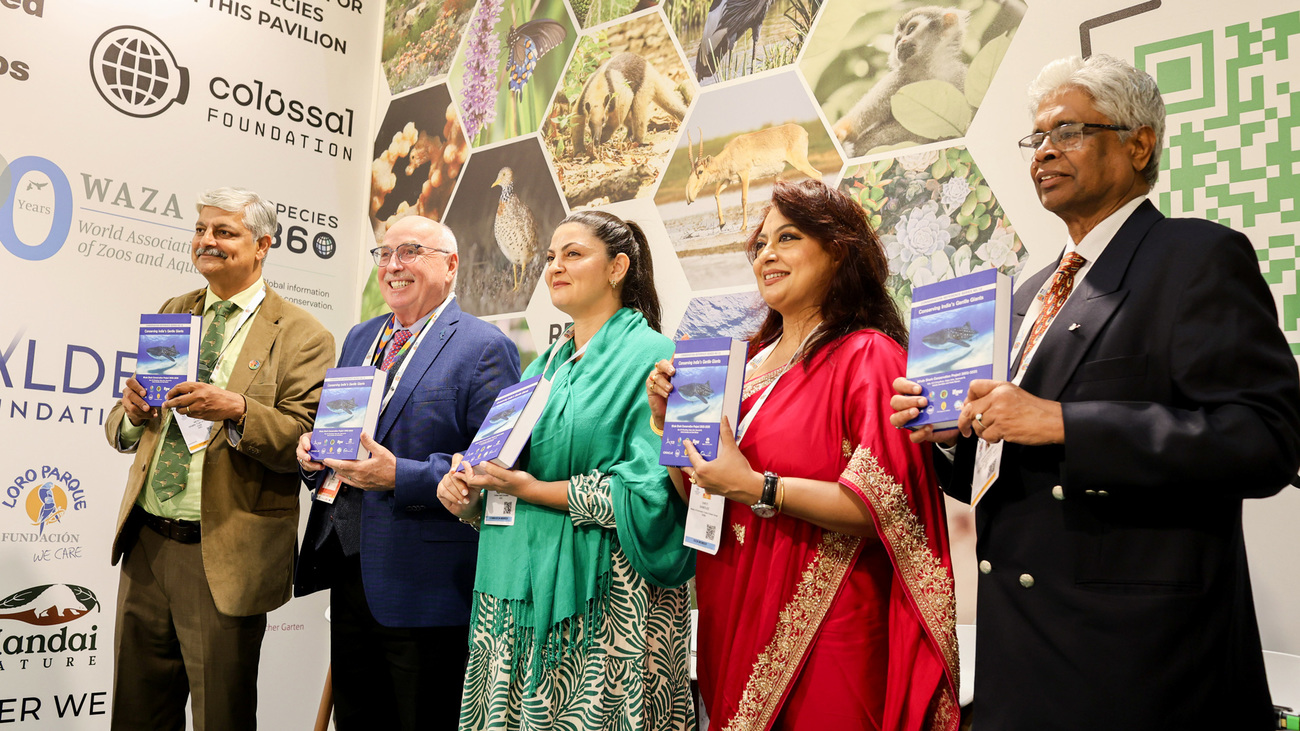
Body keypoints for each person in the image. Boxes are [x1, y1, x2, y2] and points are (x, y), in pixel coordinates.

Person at [890, 55, 1300, 730]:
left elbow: (1266, 441)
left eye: (1069, 131)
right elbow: (1007, 474)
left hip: (1142, 671)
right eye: (1037, 137)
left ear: (1139, 144)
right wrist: (950, 438)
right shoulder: (1027, 294)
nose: (1044, 150)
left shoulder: (1195, 258)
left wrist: (1065, 424)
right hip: (1021, 661)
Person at [648, 178, 959, 730]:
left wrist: (759, 487)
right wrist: (670, 426)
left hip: (830, 626)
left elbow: (888, 506)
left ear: (837, 250)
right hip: (732, 605)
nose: (767, 254)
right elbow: (702, 493)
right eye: (760, 244)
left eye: (787, 237)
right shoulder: (744, 365)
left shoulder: (868, 354)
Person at [437, 210, 695, 730]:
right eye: (551, 256)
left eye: (573, 254)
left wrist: (532, 489)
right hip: (515, 597)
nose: (554, 266)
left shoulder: (658, 358)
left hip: (606, 608)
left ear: (617, 267)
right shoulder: (543, 366)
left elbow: (650, 492)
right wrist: (470, 493)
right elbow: (505, 474)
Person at [105, 187, 334, 730]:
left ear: (262, 245)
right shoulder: (175, 311)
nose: (207, 241)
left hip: (224, 555)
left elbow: (306, 442)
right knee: (135, 715)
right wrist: (132, 413)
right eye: (201, 230)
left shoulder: (304, 336)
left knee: (220, 718)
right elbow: (126, 426)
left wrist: (239, 410)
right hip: (146, 544)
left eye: (224, 232)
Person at [294, 216, 520, 730]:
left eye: (411, 251)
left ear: (451, 265)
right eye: (384, 253)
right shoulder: (361, 337)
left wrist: (400, 475)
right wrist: (314, 451)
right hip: (348, 567)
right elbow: (344, 427)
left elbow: (495, 463)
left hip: (426, 584)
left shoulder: (484, 346)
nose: (393, 265)